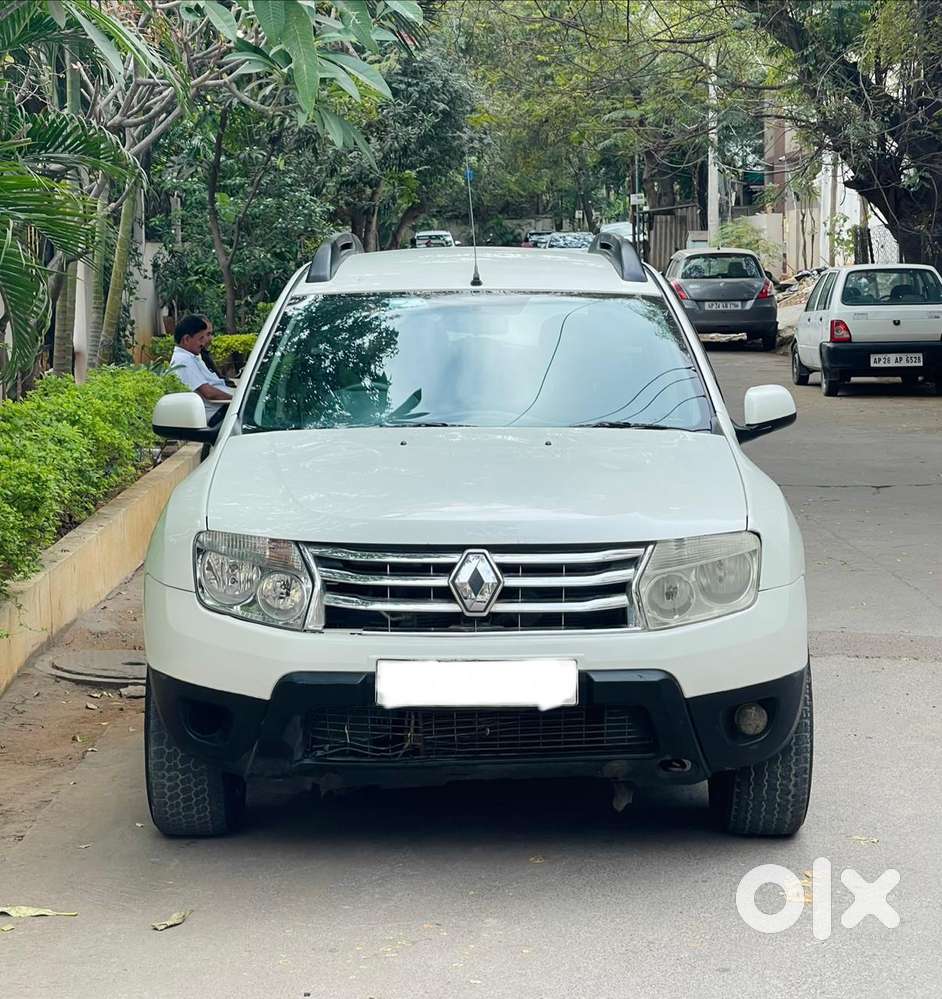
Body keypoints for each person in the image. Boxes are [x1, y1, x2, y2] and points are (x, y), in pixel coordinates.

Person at [169, 315, 232, 427]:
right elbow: (208, 393)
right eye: (200, 339)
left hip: (224, 407)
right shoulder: (183, 361)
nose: (203, 343)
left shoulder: (192, 357)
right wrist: (238, 398)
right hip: (218, 413)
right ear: (187, 339)